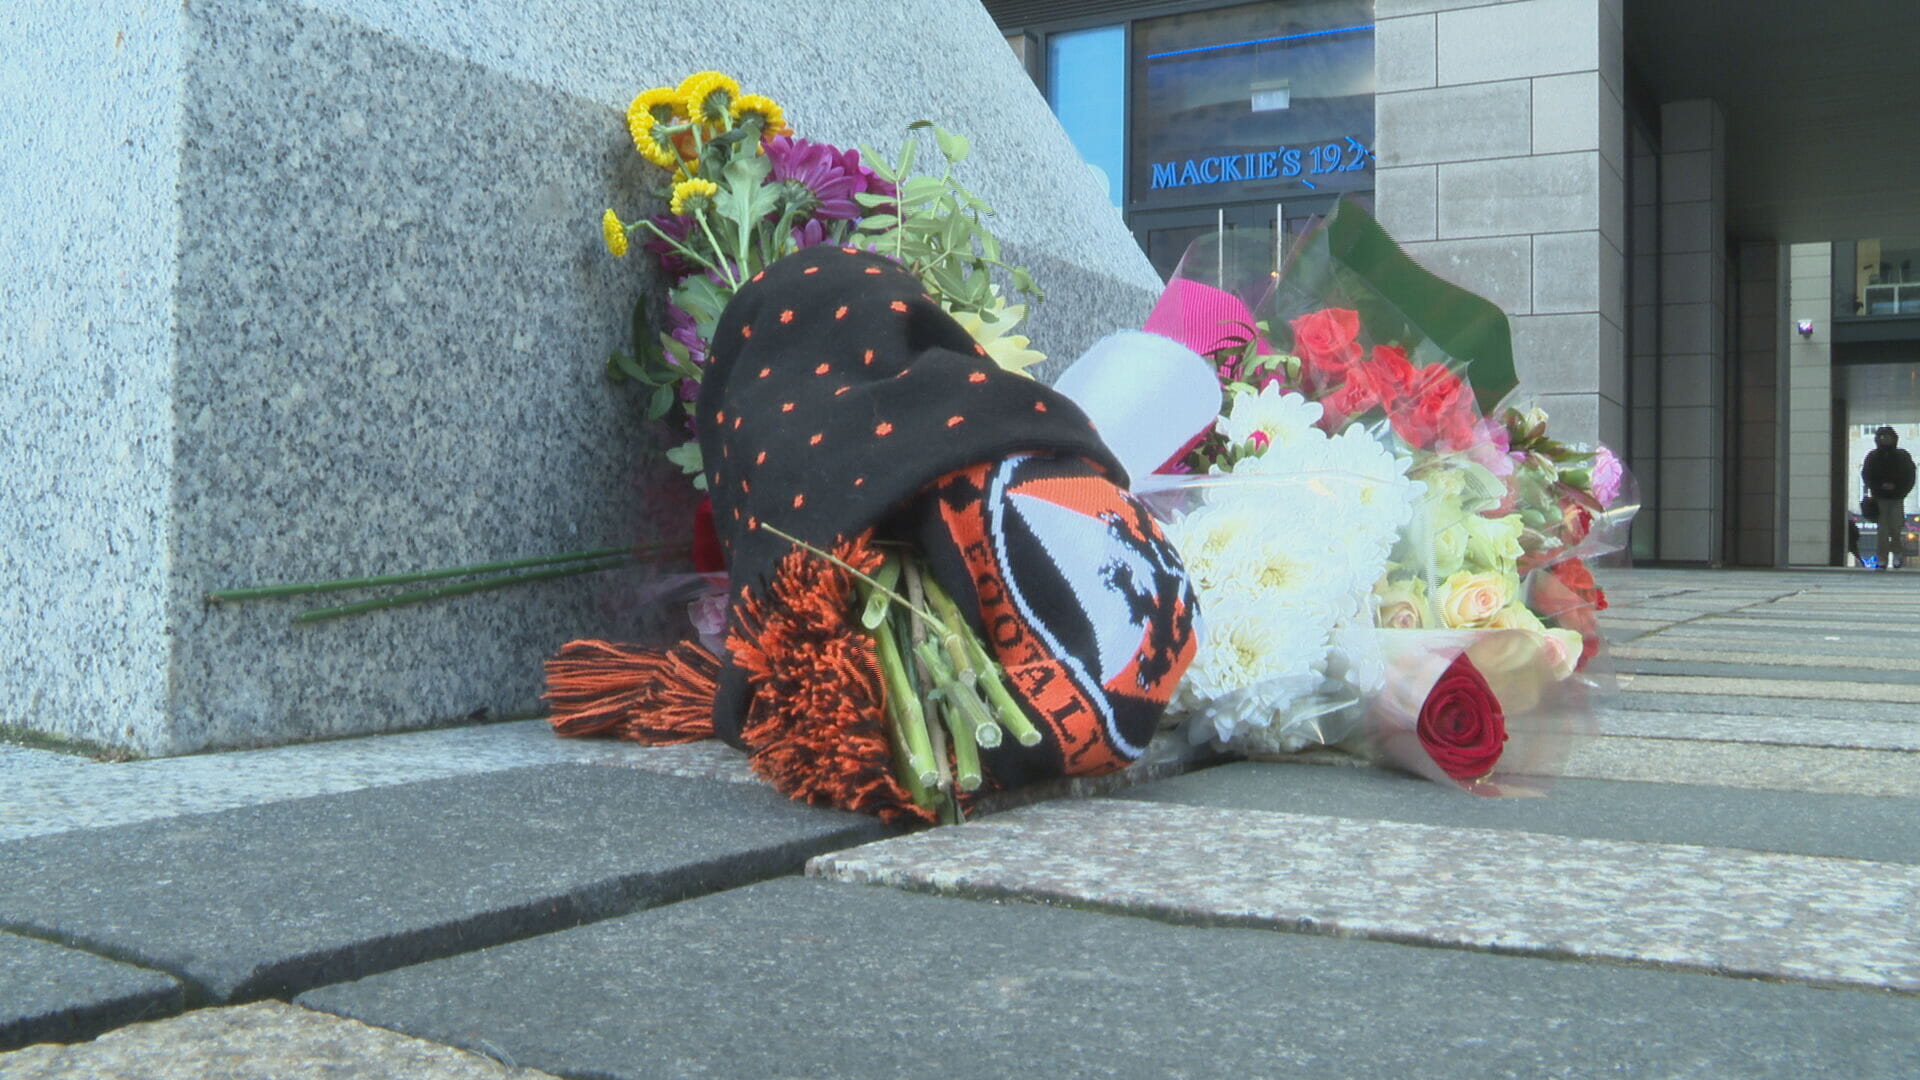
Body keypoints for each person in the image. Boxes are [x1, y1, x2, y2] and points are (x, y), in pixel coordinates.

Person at [1861, 426, 1916, 570]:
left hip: (1896, 498)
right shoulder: (1873, 457)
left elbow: (1910, 476)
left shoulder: (1902, 456)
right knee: (1883, 531)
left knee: (1895, 529)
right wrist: (1879, 487)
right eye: (1882, 437)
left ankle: (1896, 554)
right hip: (1880, 498)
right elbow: (1867, 476)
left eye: (1888, 437)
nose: (1885, 440)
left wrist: (1899, 490)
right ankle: (1882, 558)